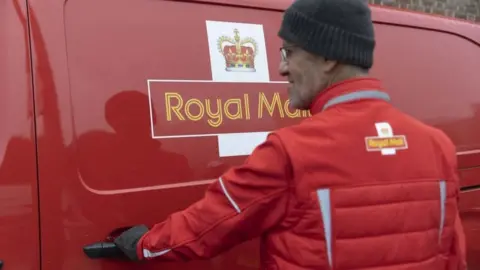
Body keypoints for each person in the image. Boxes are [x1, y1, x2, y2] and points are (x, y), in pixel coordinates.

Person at [112, 0, 467, 268]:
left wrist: (143, 244)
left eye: (289, 52)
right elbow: (455, 256)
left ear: (328, 57)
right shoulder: (436, 146)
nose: (281, 67)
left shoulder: (293, 151)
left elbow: (206, 226)